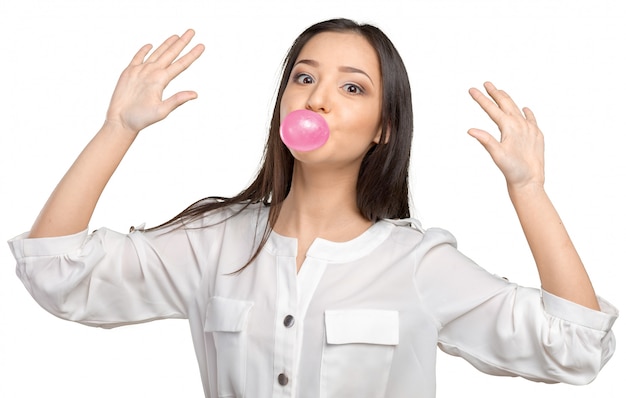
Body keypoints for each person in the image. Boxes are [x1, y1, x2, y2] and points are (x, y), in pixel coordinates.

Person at [8, 18, 617, 398]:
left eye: (352, 87)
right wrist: (117, 128)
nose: (319, 98)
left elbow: (574, 346)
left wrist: (528, 190)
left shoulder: (420, 264)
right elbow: (57, 272)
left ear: (384, 128)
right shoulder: (212, 243)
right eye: (304, 78)